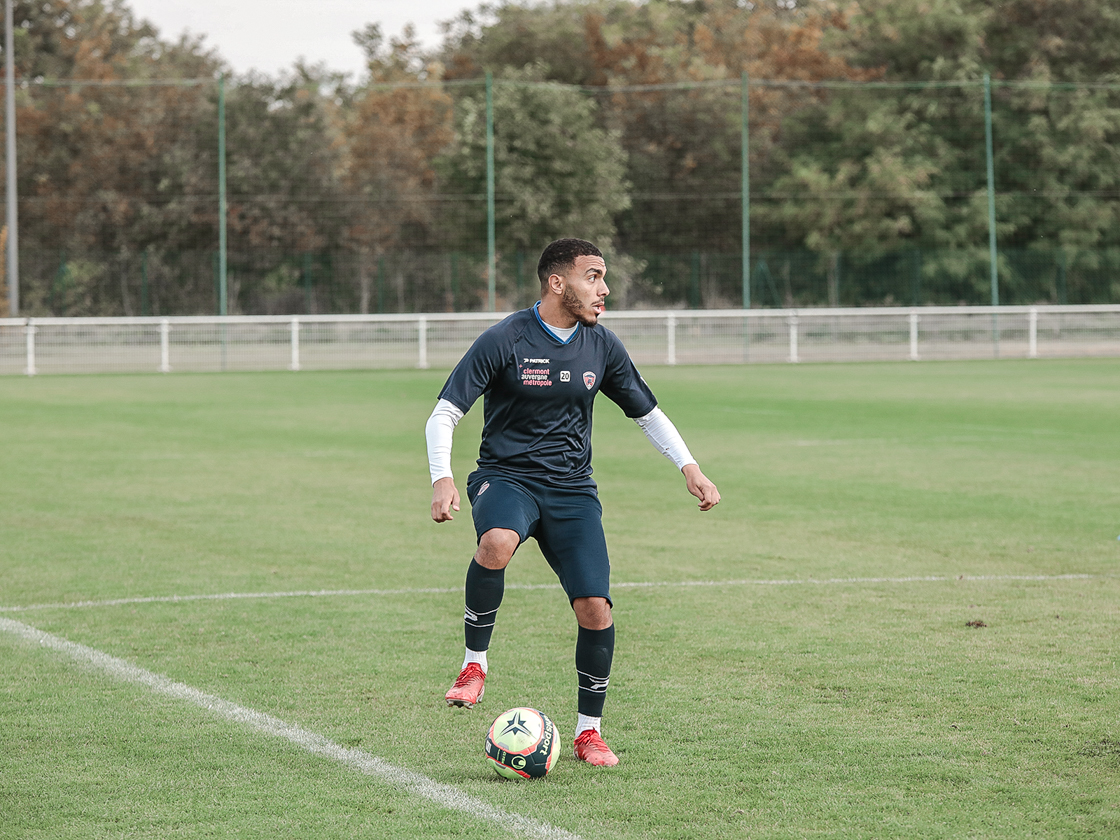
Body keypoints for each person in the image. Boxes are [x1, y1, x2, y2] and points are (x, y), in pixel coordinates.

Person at [426, 238, 720, 767]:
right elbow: (444, 413)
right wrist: (442, 478)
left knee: (595, 609)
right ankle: (474, 666)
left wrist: (689, 466)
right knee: (495, 541)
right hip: (506, 477)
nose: (604, 288)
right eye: (593, 275)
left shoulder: (601, 345)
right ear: (557, 282)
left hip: (572, 491)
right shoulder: (505, 338)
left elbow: (647, 412)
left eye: (604, 277)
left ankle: (589, 733)